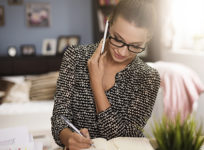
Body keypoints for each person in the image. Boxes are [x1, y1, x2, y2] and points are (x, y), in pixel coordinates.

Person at [50, 0, 160, 149]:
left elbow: (125, 137)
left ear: (147, 40)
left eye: (135, 46)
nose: (122, 52)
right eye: (118, 39)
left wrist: (95, 81)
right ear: (108, 24)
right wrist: (68, 138)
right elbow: (59, 117)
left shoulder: (148, 78)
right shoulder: (75, 57)